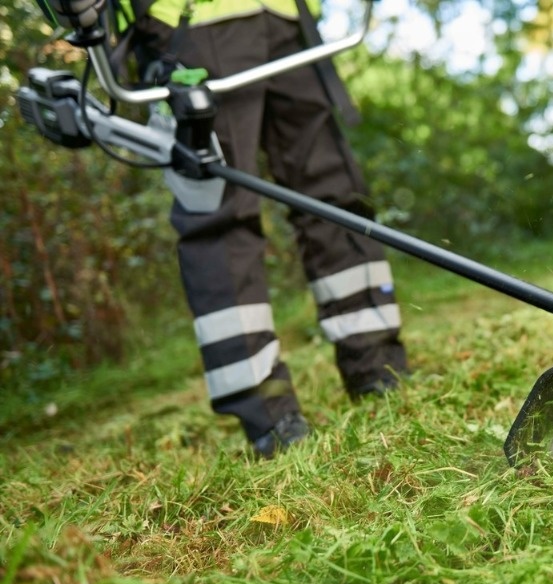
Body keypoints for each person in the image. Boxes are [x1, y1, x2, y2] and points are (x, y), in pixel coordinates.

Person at [43, 0, 409, 458]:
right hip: (189, 23)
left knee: (335, 195)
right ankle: (268, 415)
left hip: (287, 14)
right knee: (220, 210)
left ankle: (376, 367)